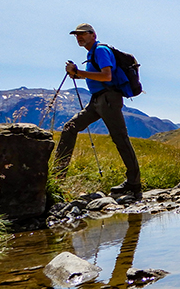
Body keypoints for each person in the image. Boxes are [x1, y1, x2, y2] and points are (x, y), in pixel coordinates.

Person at [54, 23, 142, 197]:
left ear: (93, 34)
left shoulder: (100, 50)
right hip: (97, 100)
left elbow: (106, 76)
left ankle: (134, 183)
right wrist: (76, 74)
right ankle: (58, 177)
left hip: (108, 99)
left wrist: (79, 72)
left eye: (83, 34)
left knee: (120, 139)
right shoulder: (91, 52)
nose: (79, 37)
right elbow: (96, 77)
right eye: (76, 35)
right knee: (70, 128)